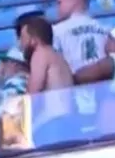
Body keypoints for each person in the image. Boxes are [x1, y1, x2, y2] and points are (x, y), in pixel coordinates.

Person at [19, 16, 76, 144]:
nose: (20, 44)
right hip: (67, 120)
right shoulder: (58, 57)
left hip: (54, 123)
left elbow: (33, 92)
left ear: (34, 40)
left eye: (23, 38)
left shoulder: (40, 53)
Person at [53, 0, 115, 72]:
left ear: (73, 2)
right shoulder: (106, 28)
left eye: (60, 3)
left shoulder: (56, 31)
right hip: (105, 81)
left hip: (74, 82)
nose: (57, 8)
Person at [0, 46, 31, 153]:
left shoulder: (15, 84)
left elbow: (5, 121)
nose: (2, 67)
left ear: (14, 64)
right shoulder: (26, 83)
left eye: (5, 62)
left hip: (4, 153)